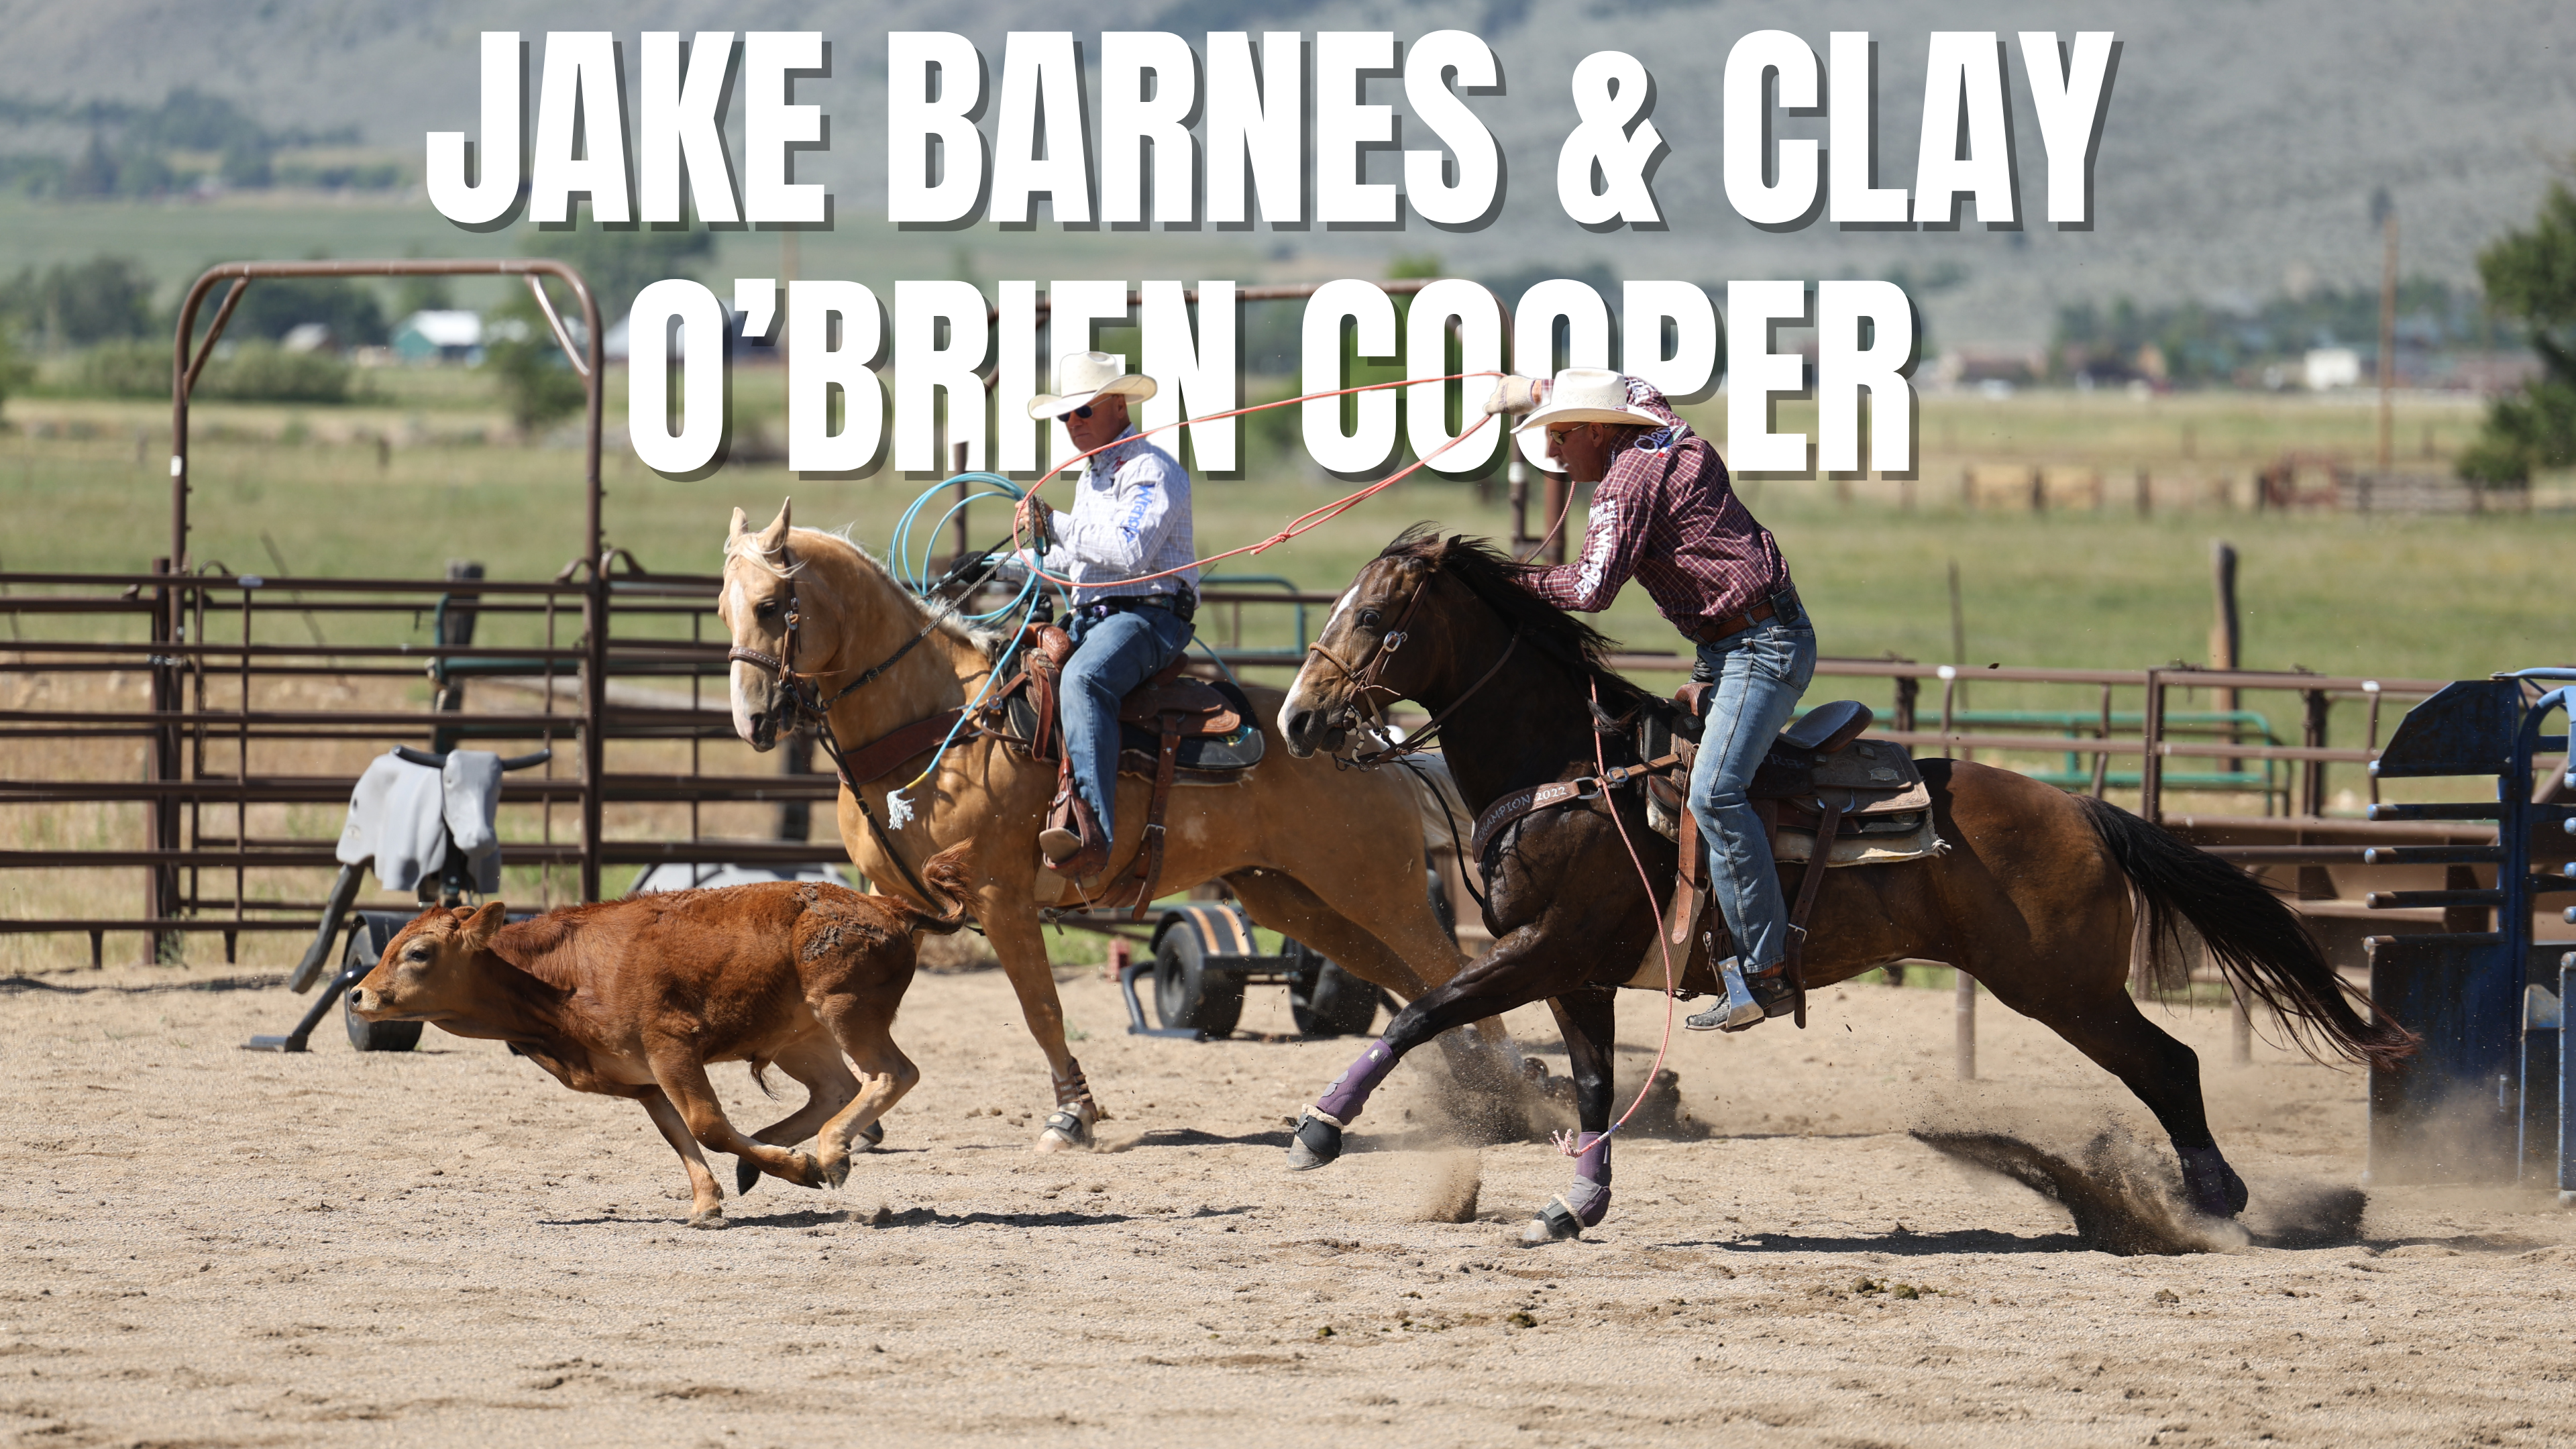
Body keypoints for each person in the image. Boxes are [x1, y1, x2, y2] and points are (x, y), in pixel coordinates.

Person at [1500, 367, 1817, 1031]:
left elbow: (1590, 588)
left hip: (1759, 650)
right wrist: (1536, 389)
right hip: (1743, 641)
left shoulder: (1622, 487)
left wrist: (1509, 584)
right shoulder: (1657, 425)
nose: (1553, 454)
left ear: (1594, 429)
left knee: (1715, 793)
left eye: (1559, 434)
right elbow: (1632, 384)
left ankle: (1764, 971)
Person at [1016, 350, 1200, 879]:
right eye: (1065, 416)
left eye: (1084, 412)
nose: (1072, 424)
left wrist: (1056, 522)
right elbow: (1072, 559)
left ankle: (1091, 828)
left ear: (1118, 405)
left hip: (1151, 616)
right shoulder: (1090, 480)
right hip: (1096, 615)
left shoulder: (1152, 471)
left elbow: (1127, 552)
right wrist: (997, 568)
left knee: (1086, 678)